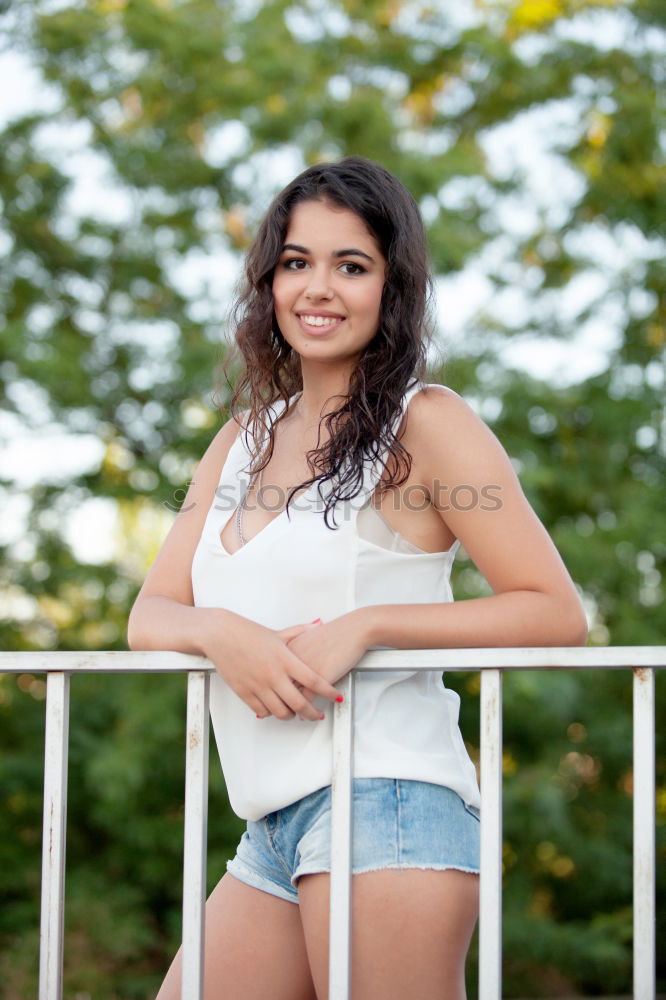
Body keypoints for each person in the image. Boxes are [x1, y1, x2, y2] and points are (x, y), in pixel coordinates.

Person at [128, 156, 587, 1000]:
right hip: (268, 825)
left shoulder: (429, 422)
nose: (318, 288)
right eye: (297, 262)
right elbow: (151, 612)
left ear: (392, 287)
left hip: (389, 803)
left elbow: (555, 612)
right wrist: (219, 633)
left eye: (352, 265)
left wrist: (370, 625)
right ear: (269, 282)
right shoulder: (242, 440)